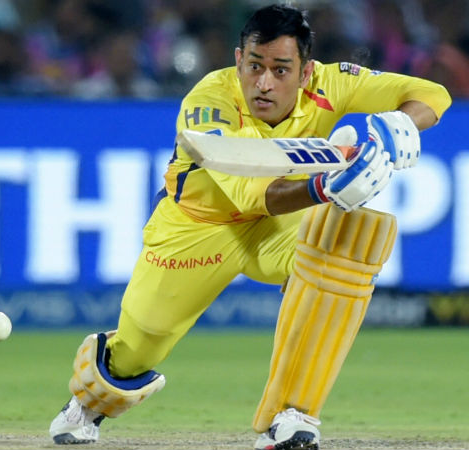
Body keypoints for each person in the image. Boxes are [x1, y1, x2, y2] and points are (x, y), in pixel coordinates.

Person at [49, 4, 451, 450]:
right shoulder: (209, 101)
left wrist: (396, 127)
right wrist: (326, 185)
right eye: (255, 66)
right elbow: (251, 194)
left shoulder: (332, 83)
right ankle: (87, 403)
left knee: (347, 241)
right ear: (239, 60)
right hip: (198, 227)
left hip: (277, 227)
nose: (264, 83)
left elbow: (431, 94)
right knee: (140, 347)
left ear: (306, 72)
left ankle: (293, 415)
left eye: (281, 70)